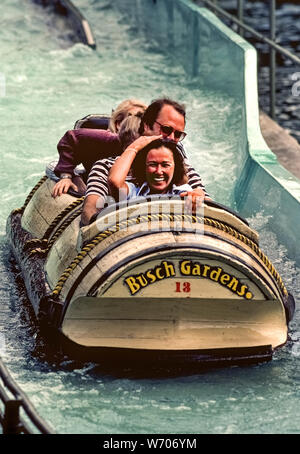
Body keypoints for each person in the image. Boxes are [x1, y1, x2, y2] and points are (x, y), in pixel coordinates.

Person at [81, 97, 210, 225]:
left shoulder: (182, 170)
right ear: (147, 125)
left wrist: (198, 196)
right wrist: (135, 147)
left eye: (177, 135)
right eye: (166, 129)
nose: (171, 138)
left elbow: (208, 205)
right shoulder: (105, 167)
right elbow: (91, 216)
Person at [51, 99, 147, 198]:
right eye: (132, 117)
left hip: (100, 175)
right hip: (81, 169)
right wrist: (66, 176)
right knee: (53, 166)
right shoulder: (109, 138)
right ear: (119, 124)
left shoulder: (148, 143)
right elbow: (70, 137)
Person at [108, 137, 193, 201]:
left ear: (175, 168)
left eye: (165, 165)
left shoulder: (183, 192)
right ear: (144, 167)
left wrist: (198, 197)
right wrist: (133, 148)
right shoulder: (133, 192)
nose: (159, 171)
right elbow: (115, 182)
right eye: (152, 165)